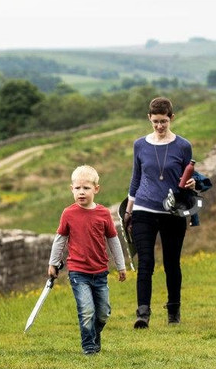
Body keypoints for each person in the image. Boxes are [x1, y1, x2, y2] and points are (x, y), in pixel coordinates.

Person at [122, 96, 197, 328]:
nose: (159, 126)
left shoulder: (183, 146)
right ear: (149, 118)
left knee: (172, 263)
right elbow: (136, 177)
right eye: (155, 121)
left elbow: (188, 178)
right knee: (145, 262)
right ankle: (142, 314)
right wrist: (129, 210)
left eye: (163, 121)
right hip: (144, 208)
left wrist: (192, 184)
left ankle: (173, 311)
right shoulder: (140, 145)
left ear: (171, 118)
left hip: (172, 212)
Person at [48, 165, 126, 354]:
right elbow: (60, 240)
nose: (81, 192)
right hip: (78, 272)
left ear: (96, 189)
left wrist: (121, 266)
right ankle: (89, 348)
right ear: (71, 189)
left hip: (100, 272)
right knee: (87, 311)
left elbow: (113, 240)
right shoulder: (68, 213)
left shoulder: (104, 214)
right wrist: (53, 263)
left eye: (86, 188)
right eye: (77, 188)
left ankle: (93, 335)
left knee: (103, 313)